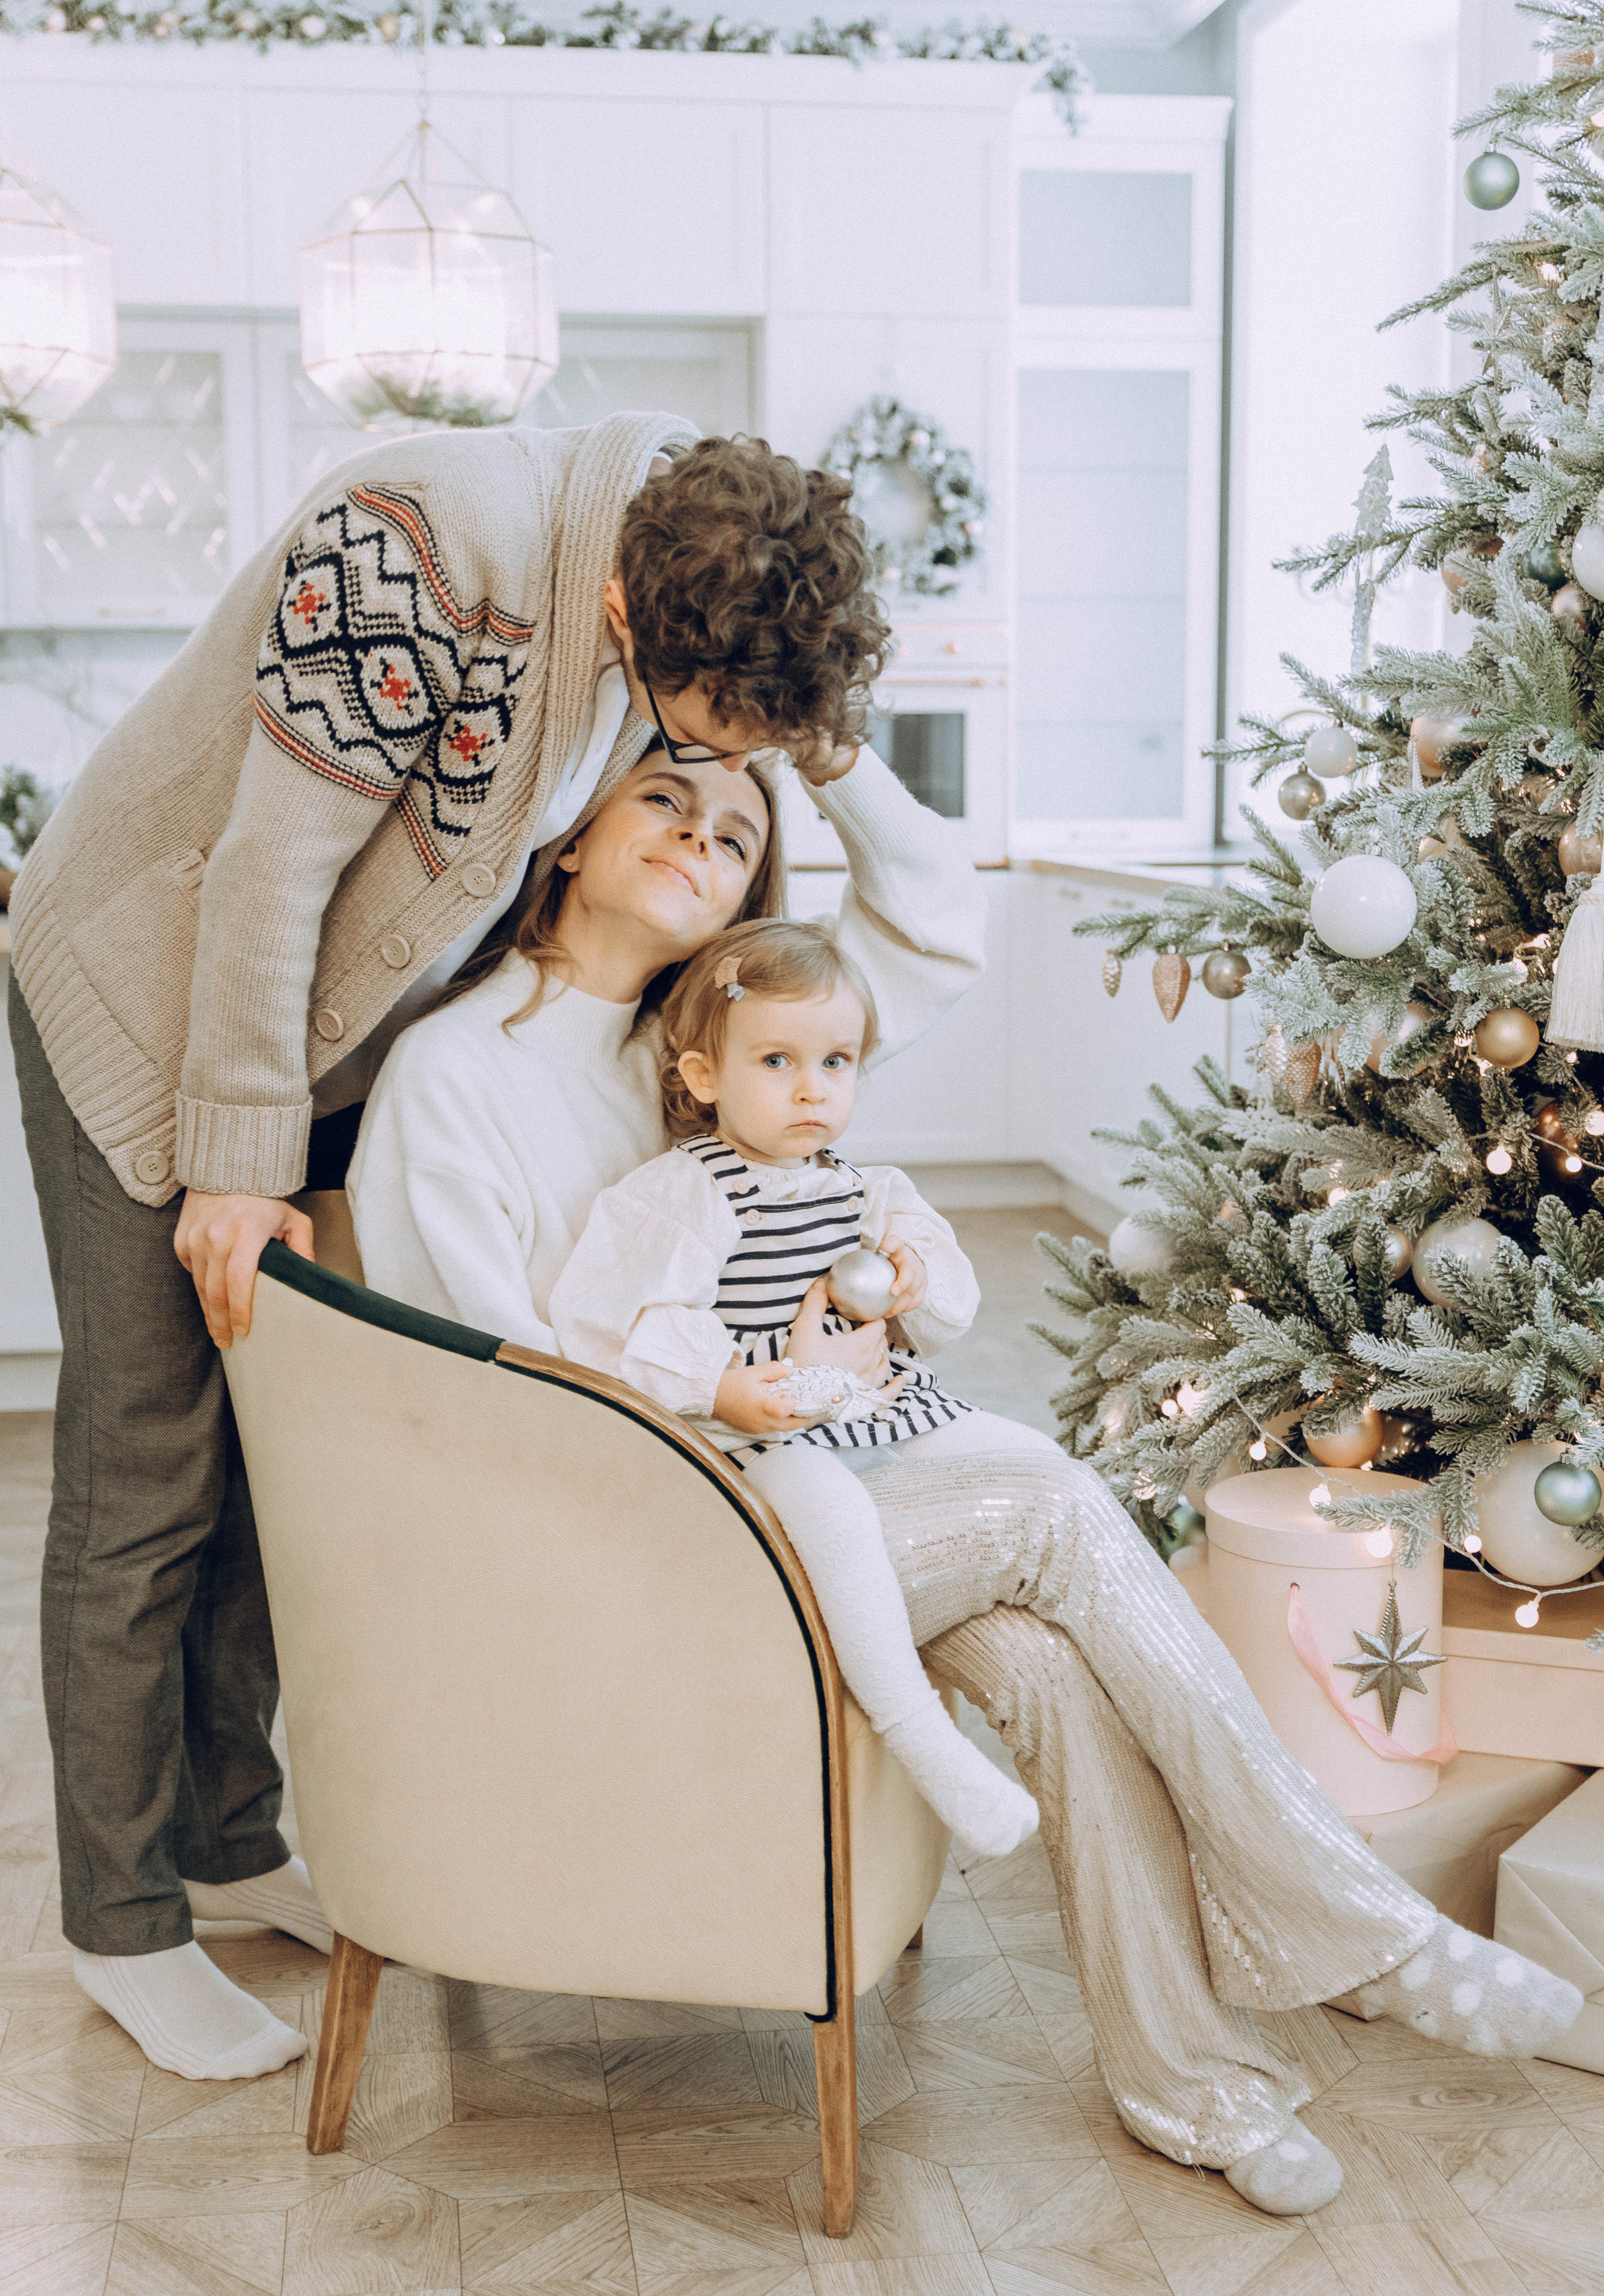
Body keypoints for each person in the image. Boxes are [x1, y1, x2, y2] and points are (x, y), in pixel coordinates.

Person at [354, 732, 1583, 2218]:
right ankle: (1354, 1926)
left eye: (736, 833)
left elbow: (931, 918)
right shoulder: (459, 1071)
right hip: (650, 1540)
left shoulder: (715, 1036)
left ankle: (1190, 2084)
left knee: (1050, 1666)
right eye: (663, 801)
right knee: (1050, 1503)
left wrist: (821, 744)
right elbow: (508, 1399)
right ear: (566, 827)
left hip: (798, 1489)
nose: (699, 842)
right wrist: (732, 1389)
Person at [7, 415, 897, 2081]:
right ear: (630, 618)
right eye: (694, 737)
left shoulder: (712, 578)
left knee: (274, 1448)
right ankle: (119, 1923)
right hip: (152, 990)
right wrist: (236, 1166)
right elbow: (267, 873)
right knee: (148, 1467)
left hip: (318, 1032)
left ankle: (228, 1836)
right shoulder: (417, 541)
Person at [549, 917, 1040, 1861]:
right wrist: (724, 1387)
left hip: (875, 1402)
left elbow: (951, 1306)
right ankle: (924, 1740)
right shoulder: (690, 1190)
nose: (813, 1088)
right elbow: (610, 1319)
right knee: (832, 1516)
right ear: (704, 1077)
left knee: (1031, 1460)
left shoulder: (866, 1189)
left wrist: (914, 1276)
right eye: (777, 1061)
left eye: (836, 1062)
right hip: (766, 1429)